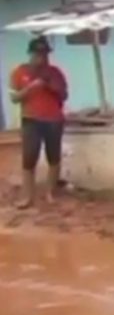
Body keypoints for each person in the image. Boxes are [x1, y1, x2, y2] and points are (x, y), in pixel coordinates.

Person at [9, 37, 68, 208]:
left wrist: (49, 86)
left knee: (54, 157)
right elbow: (14, 98)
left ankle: (51, 194)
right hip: (31, 119)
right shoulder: (20, 72)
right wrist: (30, 88)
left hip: (53, 119)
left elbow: (64, 95)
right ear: (30, 54)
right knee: (29, 158)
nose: (42, 58)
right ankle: (27, 196)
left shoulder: (55, 72)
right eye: (38, 54)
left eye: (45, 54)